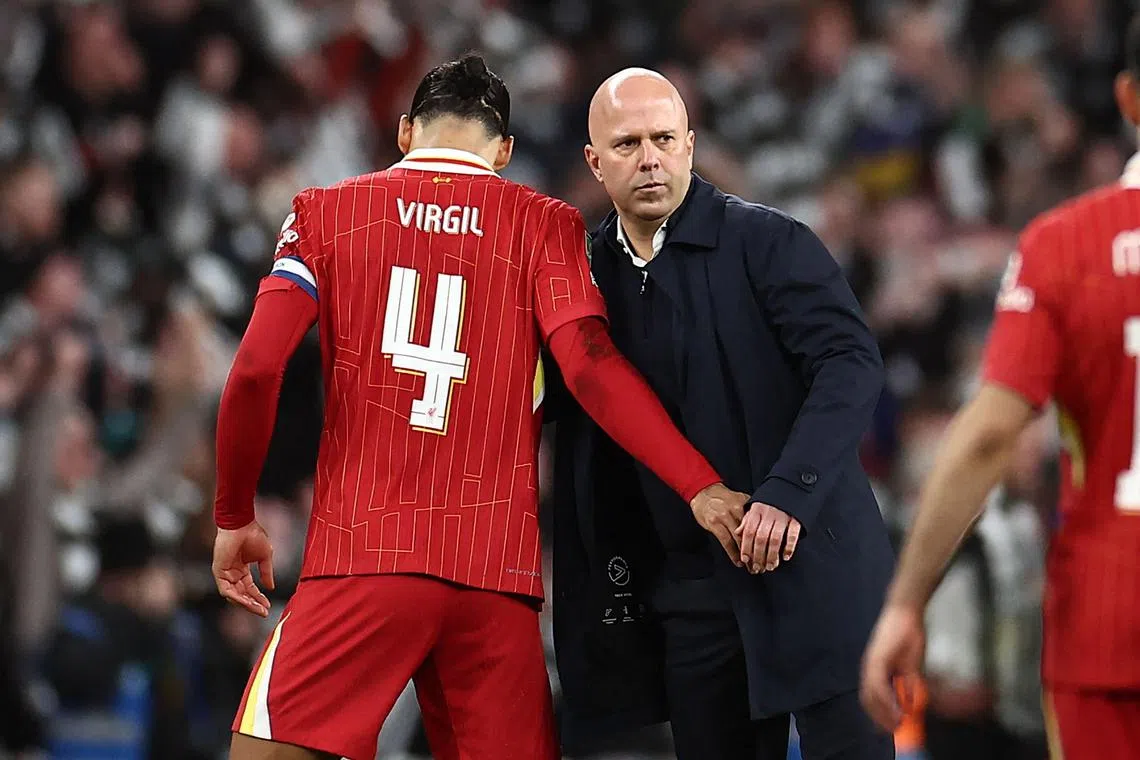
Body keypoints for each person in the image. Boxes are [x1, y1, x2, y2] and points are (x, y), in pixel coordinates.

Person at [211, 54, 749, 760]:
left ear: (406, 132)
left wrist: (233, 515)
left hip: (365, 553)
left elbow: (254, 370)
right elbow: (591, 368)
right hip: (494, 577)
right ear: (504, 151)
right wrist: (698, 484)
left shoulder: (324, 212)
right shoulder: (545, 225)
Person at [549, 68, 895, 760]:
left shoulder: (769, 242)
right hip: (694, 589)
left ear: (690, 144)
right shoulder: (581, 278)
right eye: (626, 145)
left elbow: (850, 364)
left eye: (664, 139)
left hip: (814, 562)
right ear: (593, 162)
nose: (649, 159)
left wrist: (785, 494)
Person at [860, 16, 1140, 760]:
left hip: (1111, 622)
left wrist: (904, 603)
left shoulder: (1065, 245)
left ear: (1127, 100)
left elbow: (988, 434)